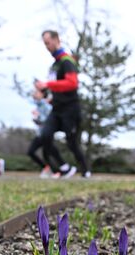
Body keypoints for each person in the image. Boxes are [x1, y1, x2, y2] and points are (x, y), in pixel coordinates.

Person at [35, 30, 89, 178]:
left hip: (70, 108)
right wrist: (45, 92)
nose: (47, 46)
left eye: (48, 42)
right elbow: (55, 87)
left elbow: (72, 83)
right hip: (56, 108)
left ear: (56, 40)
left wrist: (48, 84)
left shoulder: (67, 61)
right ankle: (65, 168)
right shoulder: (54, 66)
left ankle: (85, 171)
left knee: (71, 142)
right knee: (45, 136)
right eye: (44, 43)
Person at [27, 89, 66, 178]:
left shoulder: (46, 106)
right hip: (40, 134)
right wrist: (36, 119)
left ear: (42, 95)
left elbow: (50, 121)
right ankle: (51, 169)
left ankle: (60, 171)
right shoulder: (38, 105)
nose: (34, 94)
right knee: (34, 152)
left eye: (37, 92)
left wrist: (38, 118)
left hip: (46, 134)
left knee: (48, 154)